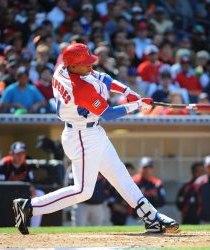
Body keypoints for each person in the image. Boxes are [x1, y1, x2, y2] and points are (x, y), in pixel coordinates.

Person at [12, 43, 178, 235]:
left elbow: (102, 78)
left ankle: (150, 216)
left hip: (92, 132)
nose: (90, 66)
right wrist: (138, 105)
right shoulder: (79, 88)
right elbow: (108, 114)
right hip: (81, 136)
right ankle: (29, 207)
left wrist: (127, 92)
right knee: (83, 190)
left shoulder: (62, 69)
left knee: (120, 174)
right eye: (85, 63)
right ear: (73, 66)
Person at [0, 142, 43, 227]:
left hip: (21, 194)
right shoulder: (3, 164)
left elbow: (31, 183)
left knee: (39, 194)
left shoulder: (26, 165)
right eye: (18, 154)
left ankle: (35, 228)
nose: (21, 156)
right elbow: (0, 186)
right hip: (5, 195)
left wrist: (32, 189)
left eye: (23, 153)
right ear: (11, 153)